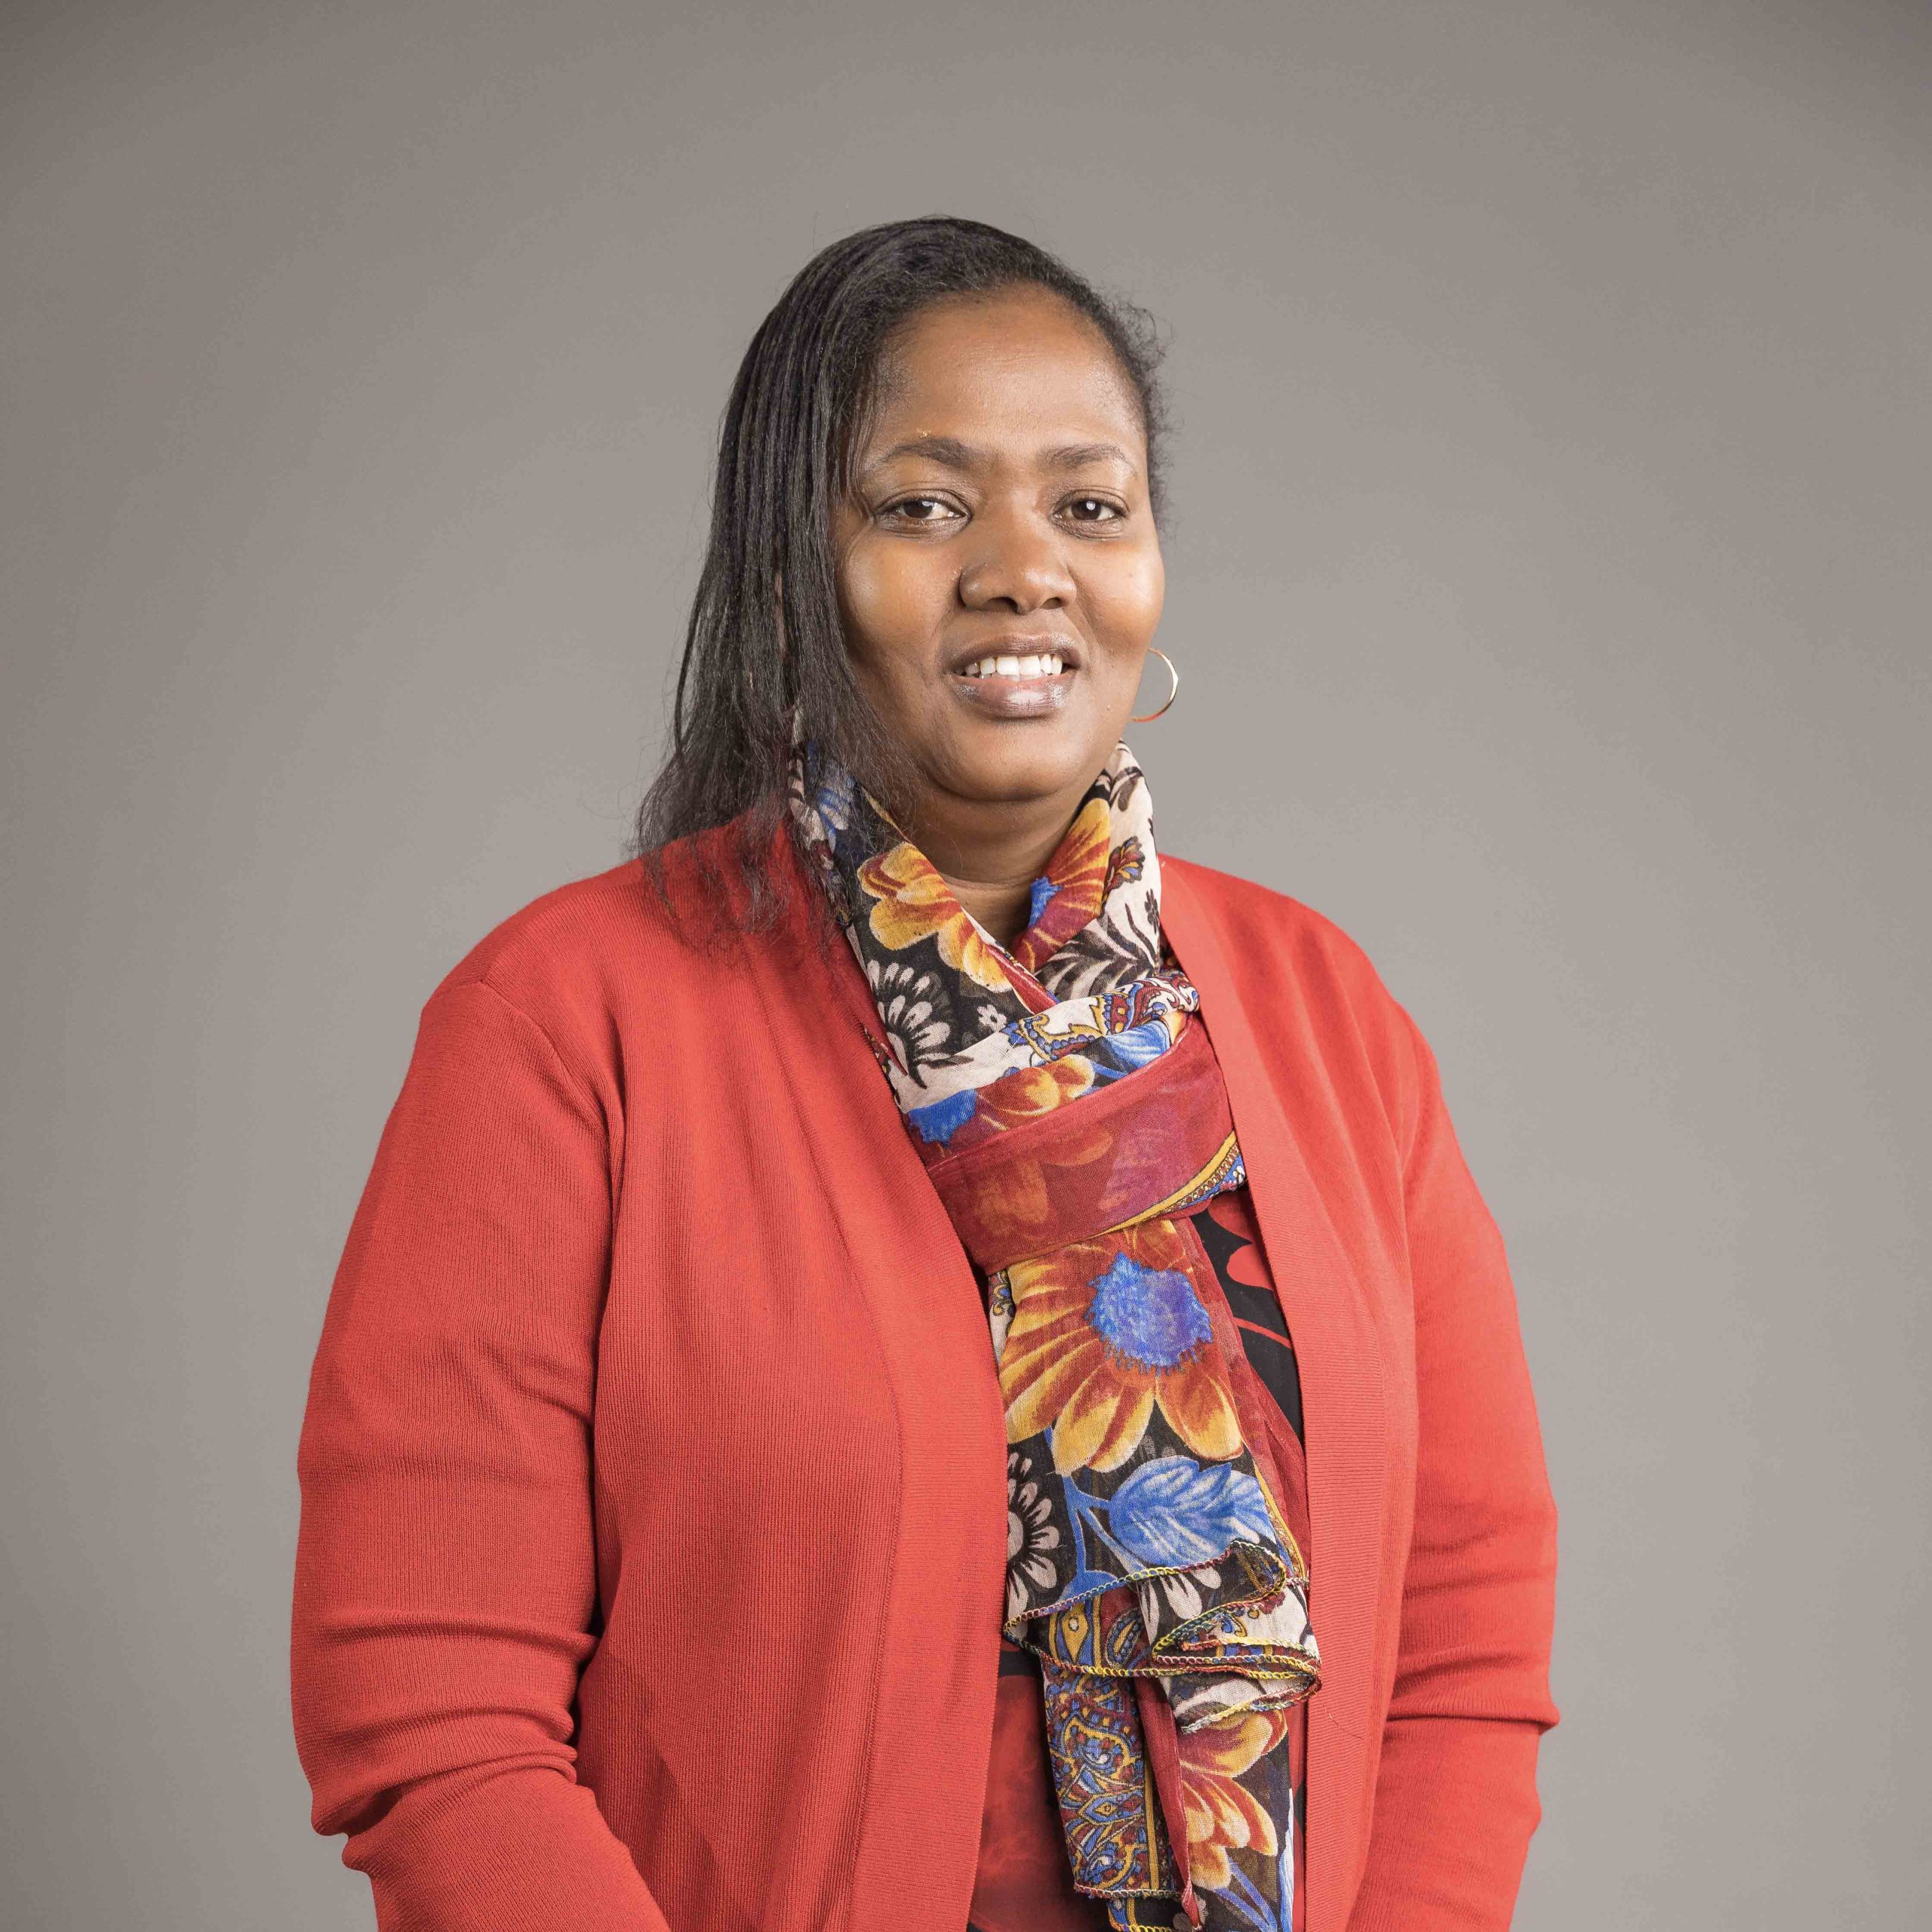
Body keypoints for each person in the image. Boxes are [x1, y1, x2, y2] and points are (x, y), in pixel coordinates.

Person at [291, 215, 1558, 1932]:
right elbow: (434, 1714)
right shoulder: (565, 1026)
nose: (1024, 570)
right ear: (791, 570)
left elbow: (1462, 1642)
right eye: (924, 505)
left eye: (1088, 507)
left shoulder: (1324, 1014)